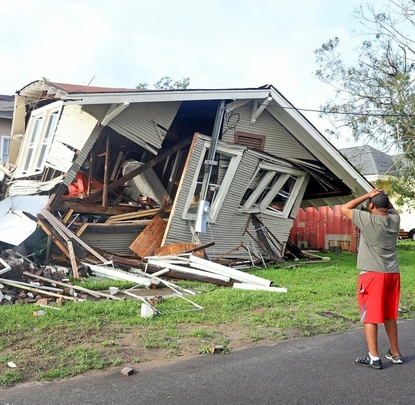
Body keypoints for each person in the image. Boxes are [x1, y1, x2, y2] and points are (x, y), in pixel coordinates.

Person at [340, 188, 402, 369]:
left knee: (370, 317)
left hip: (373, 275)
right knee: (390, 315)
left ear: (372, 205)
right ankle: (395, 353)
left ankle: (374, 357)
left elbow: (345, 208)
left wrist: (368, 195)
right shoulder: (394, 219)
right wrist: (381, 198)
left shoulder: (368, 220)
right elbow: (389, 207)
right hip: (393, 274)